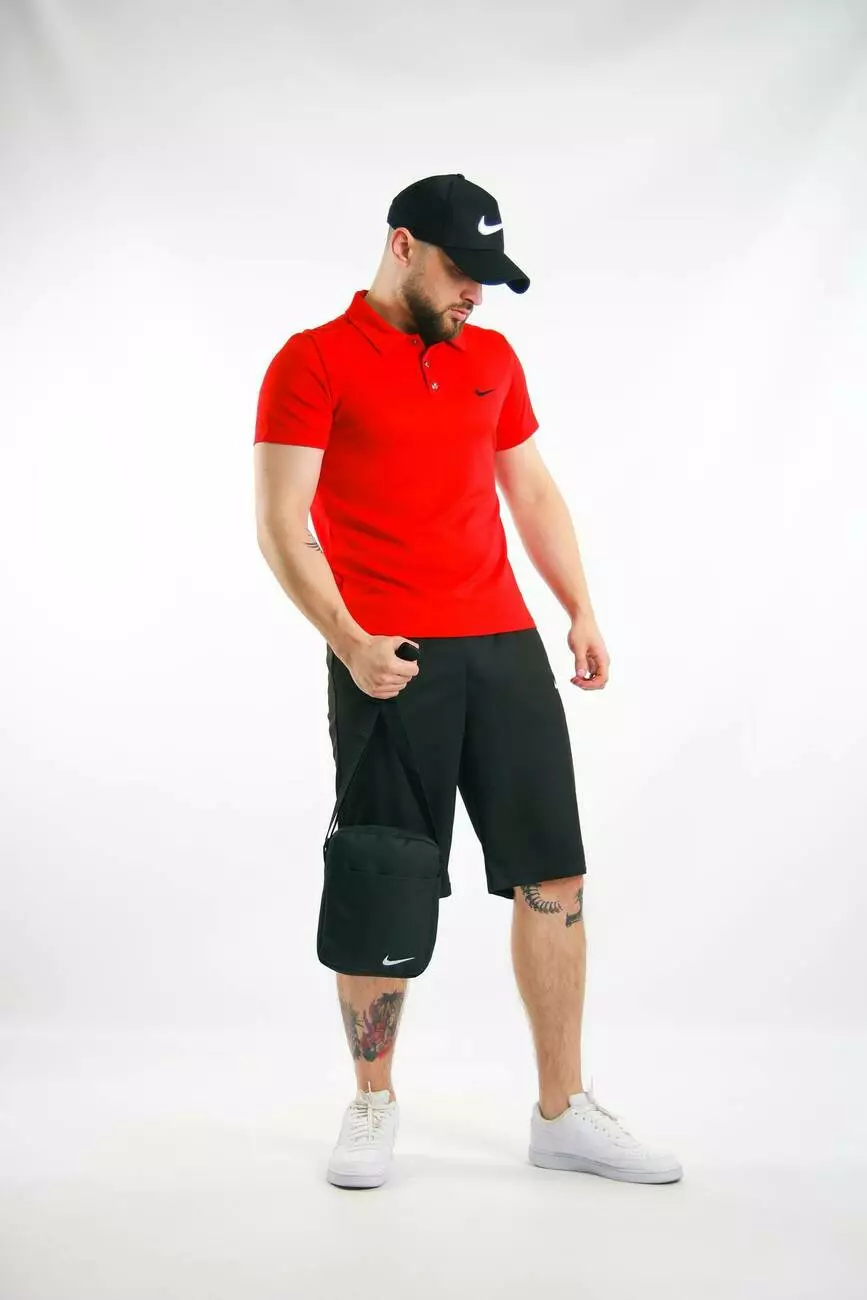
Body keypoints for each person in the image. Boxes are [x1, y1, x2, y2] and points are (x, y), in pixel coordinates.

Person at [253, 173, 682, 1190]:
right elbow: (280, 523)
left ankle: (561, 1113)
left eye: (487, 276)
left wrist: (578, 605)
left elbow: (528, 487)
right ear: (402, 246)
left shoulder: (489, 357)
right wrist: (350, 640)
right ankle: (372, 1101)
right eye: (461, 269)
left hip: (503, 646)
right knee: (384, 872)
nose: (475, 294)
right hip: (389, 656)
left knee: (554, 874)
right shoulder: (312, 360)